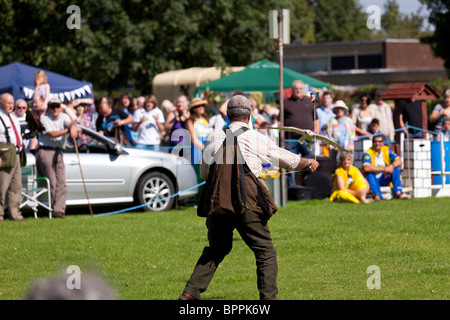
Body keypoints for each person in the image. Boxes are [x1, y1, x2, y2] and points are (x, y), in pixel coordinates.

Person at [179, 95, 319, 301]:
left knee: (216, 249)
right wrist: (307, 163)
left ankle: (190, 293)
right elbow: (286, 160)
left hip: (218, 204)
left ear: (227, 116)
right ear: (249, 115)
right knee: (265, 252)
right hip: (248, 204)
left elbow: (205, 174)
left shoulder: (213, 137)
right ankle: (268, 300)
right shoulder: (256, 138)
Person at [35, 97, 81, 218]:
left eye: (57, 106)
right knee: (52, 182)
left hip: (58, 151)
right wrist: (68, 130)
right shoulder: (44, 119)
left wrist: (72, 126)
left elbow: (70, 122)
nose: (55, 109)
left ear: (60, 107)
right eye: (52, 106)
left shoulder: (64, 116)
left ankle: (59, 210)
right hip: (45, 151)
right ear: (49, 108)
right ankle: (50, 208)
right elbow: (52, 134)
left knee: (62, 182)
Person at [283, 80, 319, 186]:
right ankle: (292, 188)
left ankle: (309, 186)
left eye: (300, 89)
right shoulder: (285, 103)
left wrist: (316, 131)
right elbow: (281, 120)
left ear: (303, 90)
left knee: (310, 163)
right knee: (290, 163)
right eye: (296, 89)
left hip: (307, 139)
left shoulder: (309, 102)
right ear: (292, 90)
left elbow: (316, 119)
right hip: (291, 139)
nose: (298, 90)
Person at [0, 93, 26, 222]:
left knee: (16, 186)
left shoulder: (13, 117)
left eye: (12, 103)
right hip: (4, 155)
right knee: (2, 185)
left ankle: (15, 214)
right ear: (1, 103)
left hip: (15, 154)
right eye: (8, 103)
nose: (11, 106)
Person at [362, 134, 411, 201]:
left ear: (383, 142)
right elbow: (366, 167)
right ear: (372, 142)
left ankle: (398, 193)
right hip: (372, 178)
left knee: (395, 169)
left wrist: (391, 166)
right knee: (369, 174)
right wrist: (384, 169)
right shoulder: (368, 153)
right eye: (375, 141)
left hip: (383, 177)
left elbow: (399, 160)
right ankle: (377, 195)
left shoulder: (386, 150)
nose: (377, 143)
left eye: (379, 141)